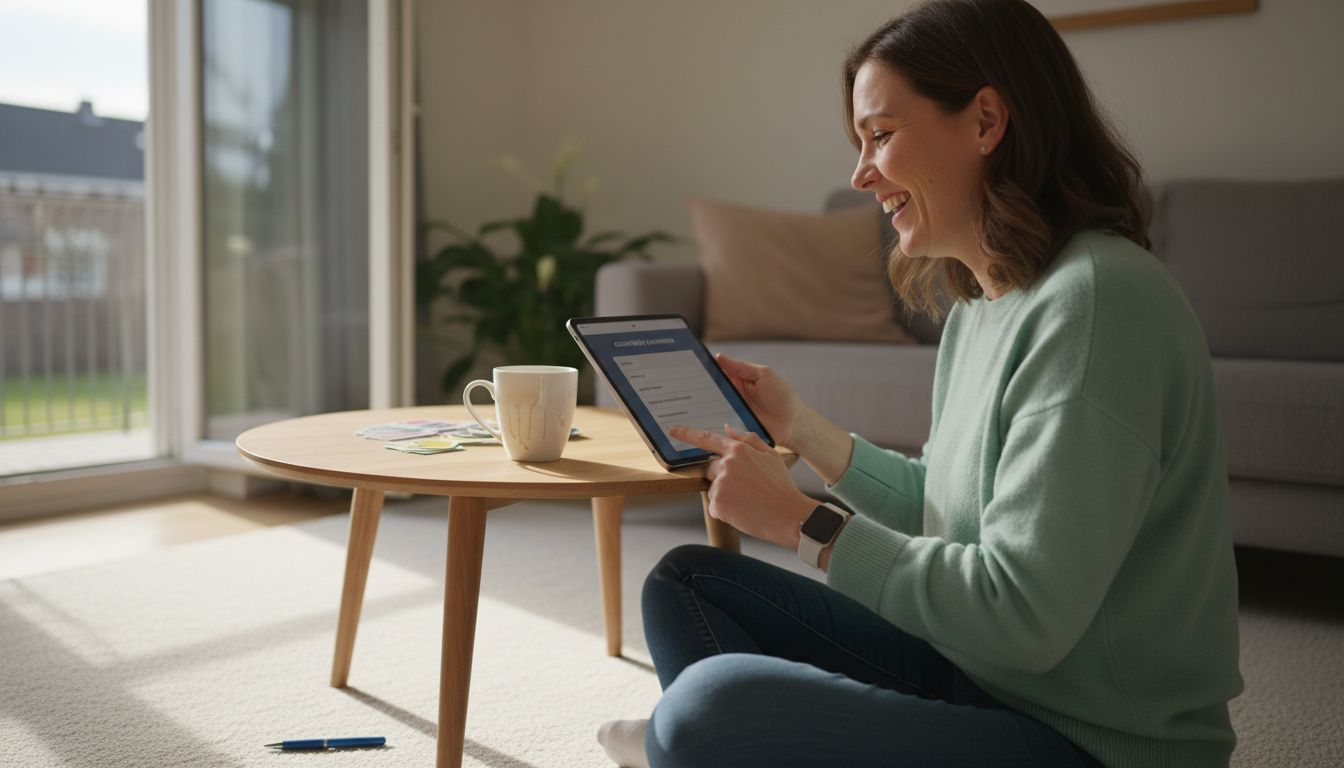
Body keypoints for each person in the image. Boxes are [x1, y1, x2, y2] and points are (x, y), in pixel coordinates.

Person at [596, 0, 1243, 766]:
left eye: (880, 135)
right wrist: (804, 429)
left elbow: (1023, 614)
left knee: (704, 711)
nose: (860, 172)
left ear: (986, 122)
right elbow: (946, 508)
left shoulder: (1098, 303)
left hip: (1094, 740)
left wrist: (806, 524)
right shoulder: (985, 302)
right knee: (687, 583)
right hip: (984, 680)